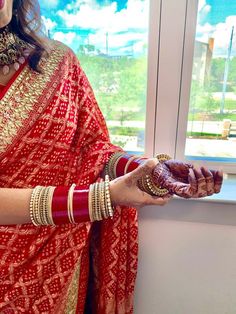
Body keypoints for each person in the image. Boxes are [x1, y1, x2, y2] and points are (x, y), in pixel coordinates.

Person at [0, 0, 223, 313]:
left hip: (57, 259)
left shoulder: (57, 63)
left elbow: (92, 149)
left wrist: (146, 172)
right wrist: (104, 197)